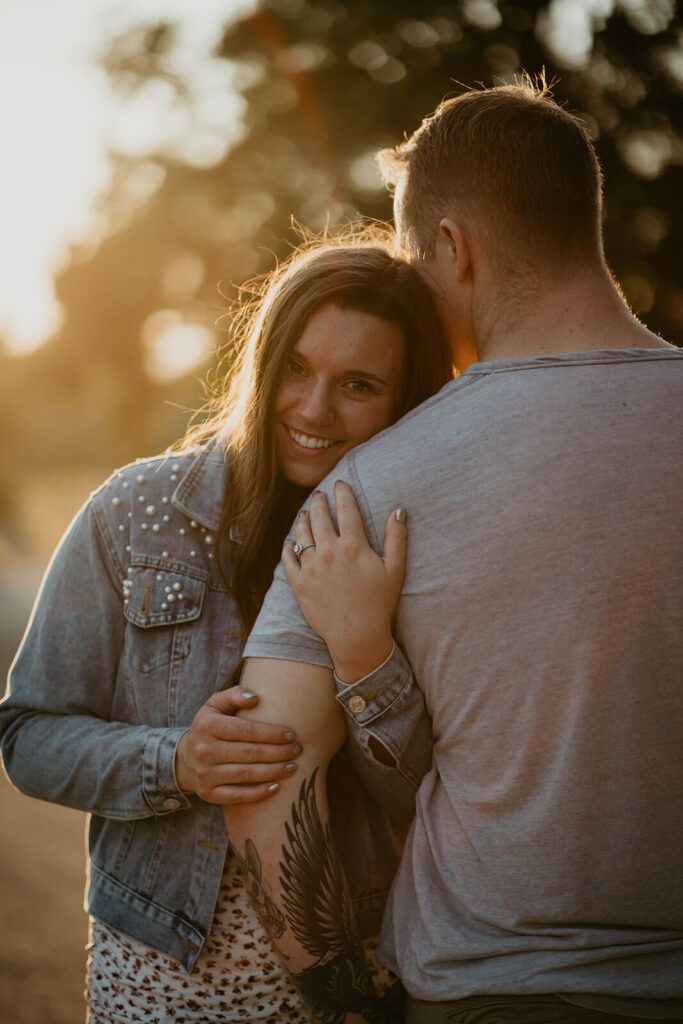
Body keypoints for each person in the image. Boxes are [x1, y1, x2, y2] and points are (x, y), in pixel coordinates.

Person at [224, 80, 683, 1023]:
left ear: (452, 248)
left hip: (488, 989)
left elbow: (266, 772)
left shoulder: (371, 486)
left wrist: (347, 1000)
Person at [0, 239, 453, 1023]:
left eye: (357, 384)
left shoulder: (417, 551)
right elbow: (26, 736)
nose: (314, 410)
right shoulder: (133, 514)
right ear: (262, 362)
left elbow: (425, 794)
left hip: (355, 975)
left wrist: (362, 654)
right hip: (161, 975)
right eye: (296, 369)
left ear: (403, 401)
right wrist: (173, 760)